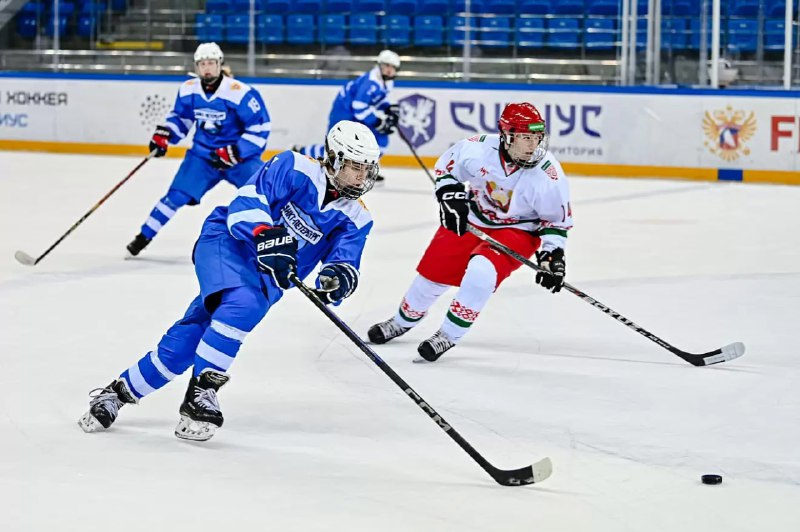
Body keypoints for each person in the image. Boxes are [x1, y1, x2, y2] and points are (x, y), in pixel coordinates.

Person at [80, 121, 380, 441]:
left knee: (186, 343)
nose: (361, 177)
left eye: (367, 170)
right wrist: (265, 235)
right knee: (243, 304)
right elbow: (246, 204)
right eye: (354, 168)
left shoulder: (358, 217)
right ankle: (203, 392)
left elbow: (345, 261)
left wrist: (335, 280)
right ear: (333, 159)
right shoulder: (292, 166)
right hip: (228, 243)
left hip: (268, 279)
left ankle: (117, 393)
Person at [367, 103, 573, 362]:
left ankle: (448, 336)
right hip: (472, 218)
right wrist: (449, 194)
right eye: (525, 138)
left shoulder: (548, 175)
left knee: (481, 272)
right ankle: (401, 321)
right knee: (432, 275)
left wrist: (552, 257)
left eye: (536, 138)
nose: (532, 146)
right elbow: (446, 169)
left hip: (518, 230)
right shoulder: (477, 148)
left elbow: (555, 221)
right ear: (507, 136)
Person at [126, 42, 271, 257]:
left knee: (266, 193)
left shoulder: (239, 93)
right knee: (175, 196)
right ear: (196, 66)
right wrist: (165, 135)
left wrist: (236, 152)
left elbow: (260, 127)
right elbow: (181, 119)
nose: (207, 68)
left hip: (238, 159)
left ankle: (279, 238)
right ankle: (143, 236)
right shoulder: (188, 89)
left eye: (211, 63)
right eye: (202, 64)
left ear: (220, 64)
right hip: (203, 157)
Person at [294, 50, 401, 181]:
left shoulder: (386, 81)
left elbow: (375, 100)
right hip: (343, 112)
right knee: (335, 147)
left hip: (353, 113)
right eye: (386, 66)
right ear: (379, 65)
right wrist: (378, 122)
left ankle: (366, 168)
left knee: (379, 138)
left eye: (393, 67)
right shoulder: (370, 83)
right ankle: (301, 151)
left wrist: (388, 108)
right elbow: (359, 107)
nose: (389, 70)